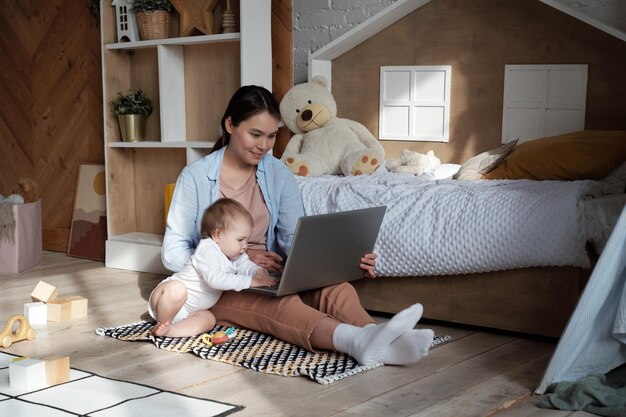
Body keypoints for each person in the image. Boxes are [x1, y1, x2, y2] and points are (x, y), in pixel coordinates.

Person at [161, 85, 434, 366]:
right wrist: (230, 256)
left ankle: (376, 336)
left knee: (336, 288)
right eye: (255, 135)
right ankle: (358, 341)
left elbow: (293, 238)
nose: (264, 146)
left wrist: (343, 259)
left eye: (271, 136)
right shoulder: (195, 176)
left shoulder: (278, 172)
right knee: (282, 305)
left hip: (265, 271)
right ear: (230, 125)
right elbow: (172, 251)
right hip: (219, 282)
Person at [149, 198, 278, 337]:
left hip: (190, 312)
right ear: (218, 235)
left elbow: (248, 266)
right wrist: (251, 282)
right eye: (240, 239)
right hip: (165, 300)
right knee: (176, 290)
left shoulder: (235, 254)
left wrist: (260, 274)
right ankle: (163, 322)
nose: (245, 245)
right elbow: (215, 280)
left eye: (247, 240)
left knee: (209, 319)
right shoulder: (207, 249)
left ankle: (171, 331)